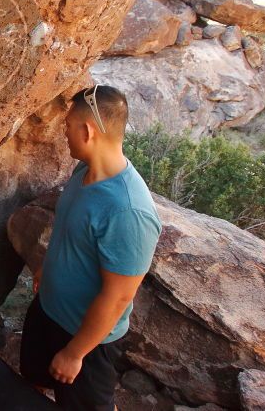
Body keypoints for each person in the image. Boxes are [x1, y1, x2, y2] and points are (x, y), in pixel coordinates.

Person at [19, 84, 162, 411]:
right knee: (34, 378)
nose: (63, 132)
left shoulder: (128, 212)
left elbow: (119, 296)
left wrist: (74, 354)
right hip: (48, 311)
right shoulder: (85, 170)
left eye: (67, 125)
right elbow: (73, 227)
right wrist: (49, 264)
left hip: (85, 340)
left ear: (87, 131)